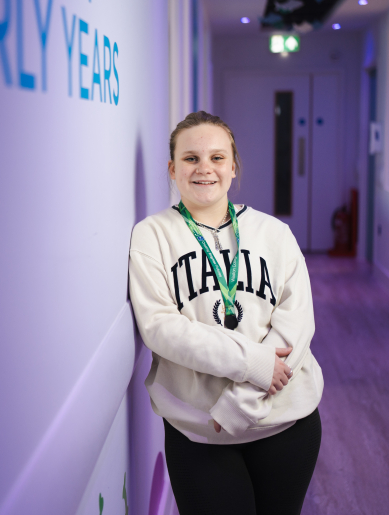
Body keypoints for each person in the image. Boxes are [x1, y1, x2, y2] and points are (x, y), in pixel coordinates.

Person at [128, 111, 323, 515]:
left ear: (233, 167)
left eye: (217, 158)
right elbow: (161, 328)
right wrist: (254, 363)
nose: (205, 169)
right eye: (191, 158)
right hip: (200, 430)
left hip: (286, 422)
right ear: (172, 168)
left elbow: (297, 323)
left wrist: (241, 403)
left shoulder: (274, 233)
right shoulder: (152, 235)